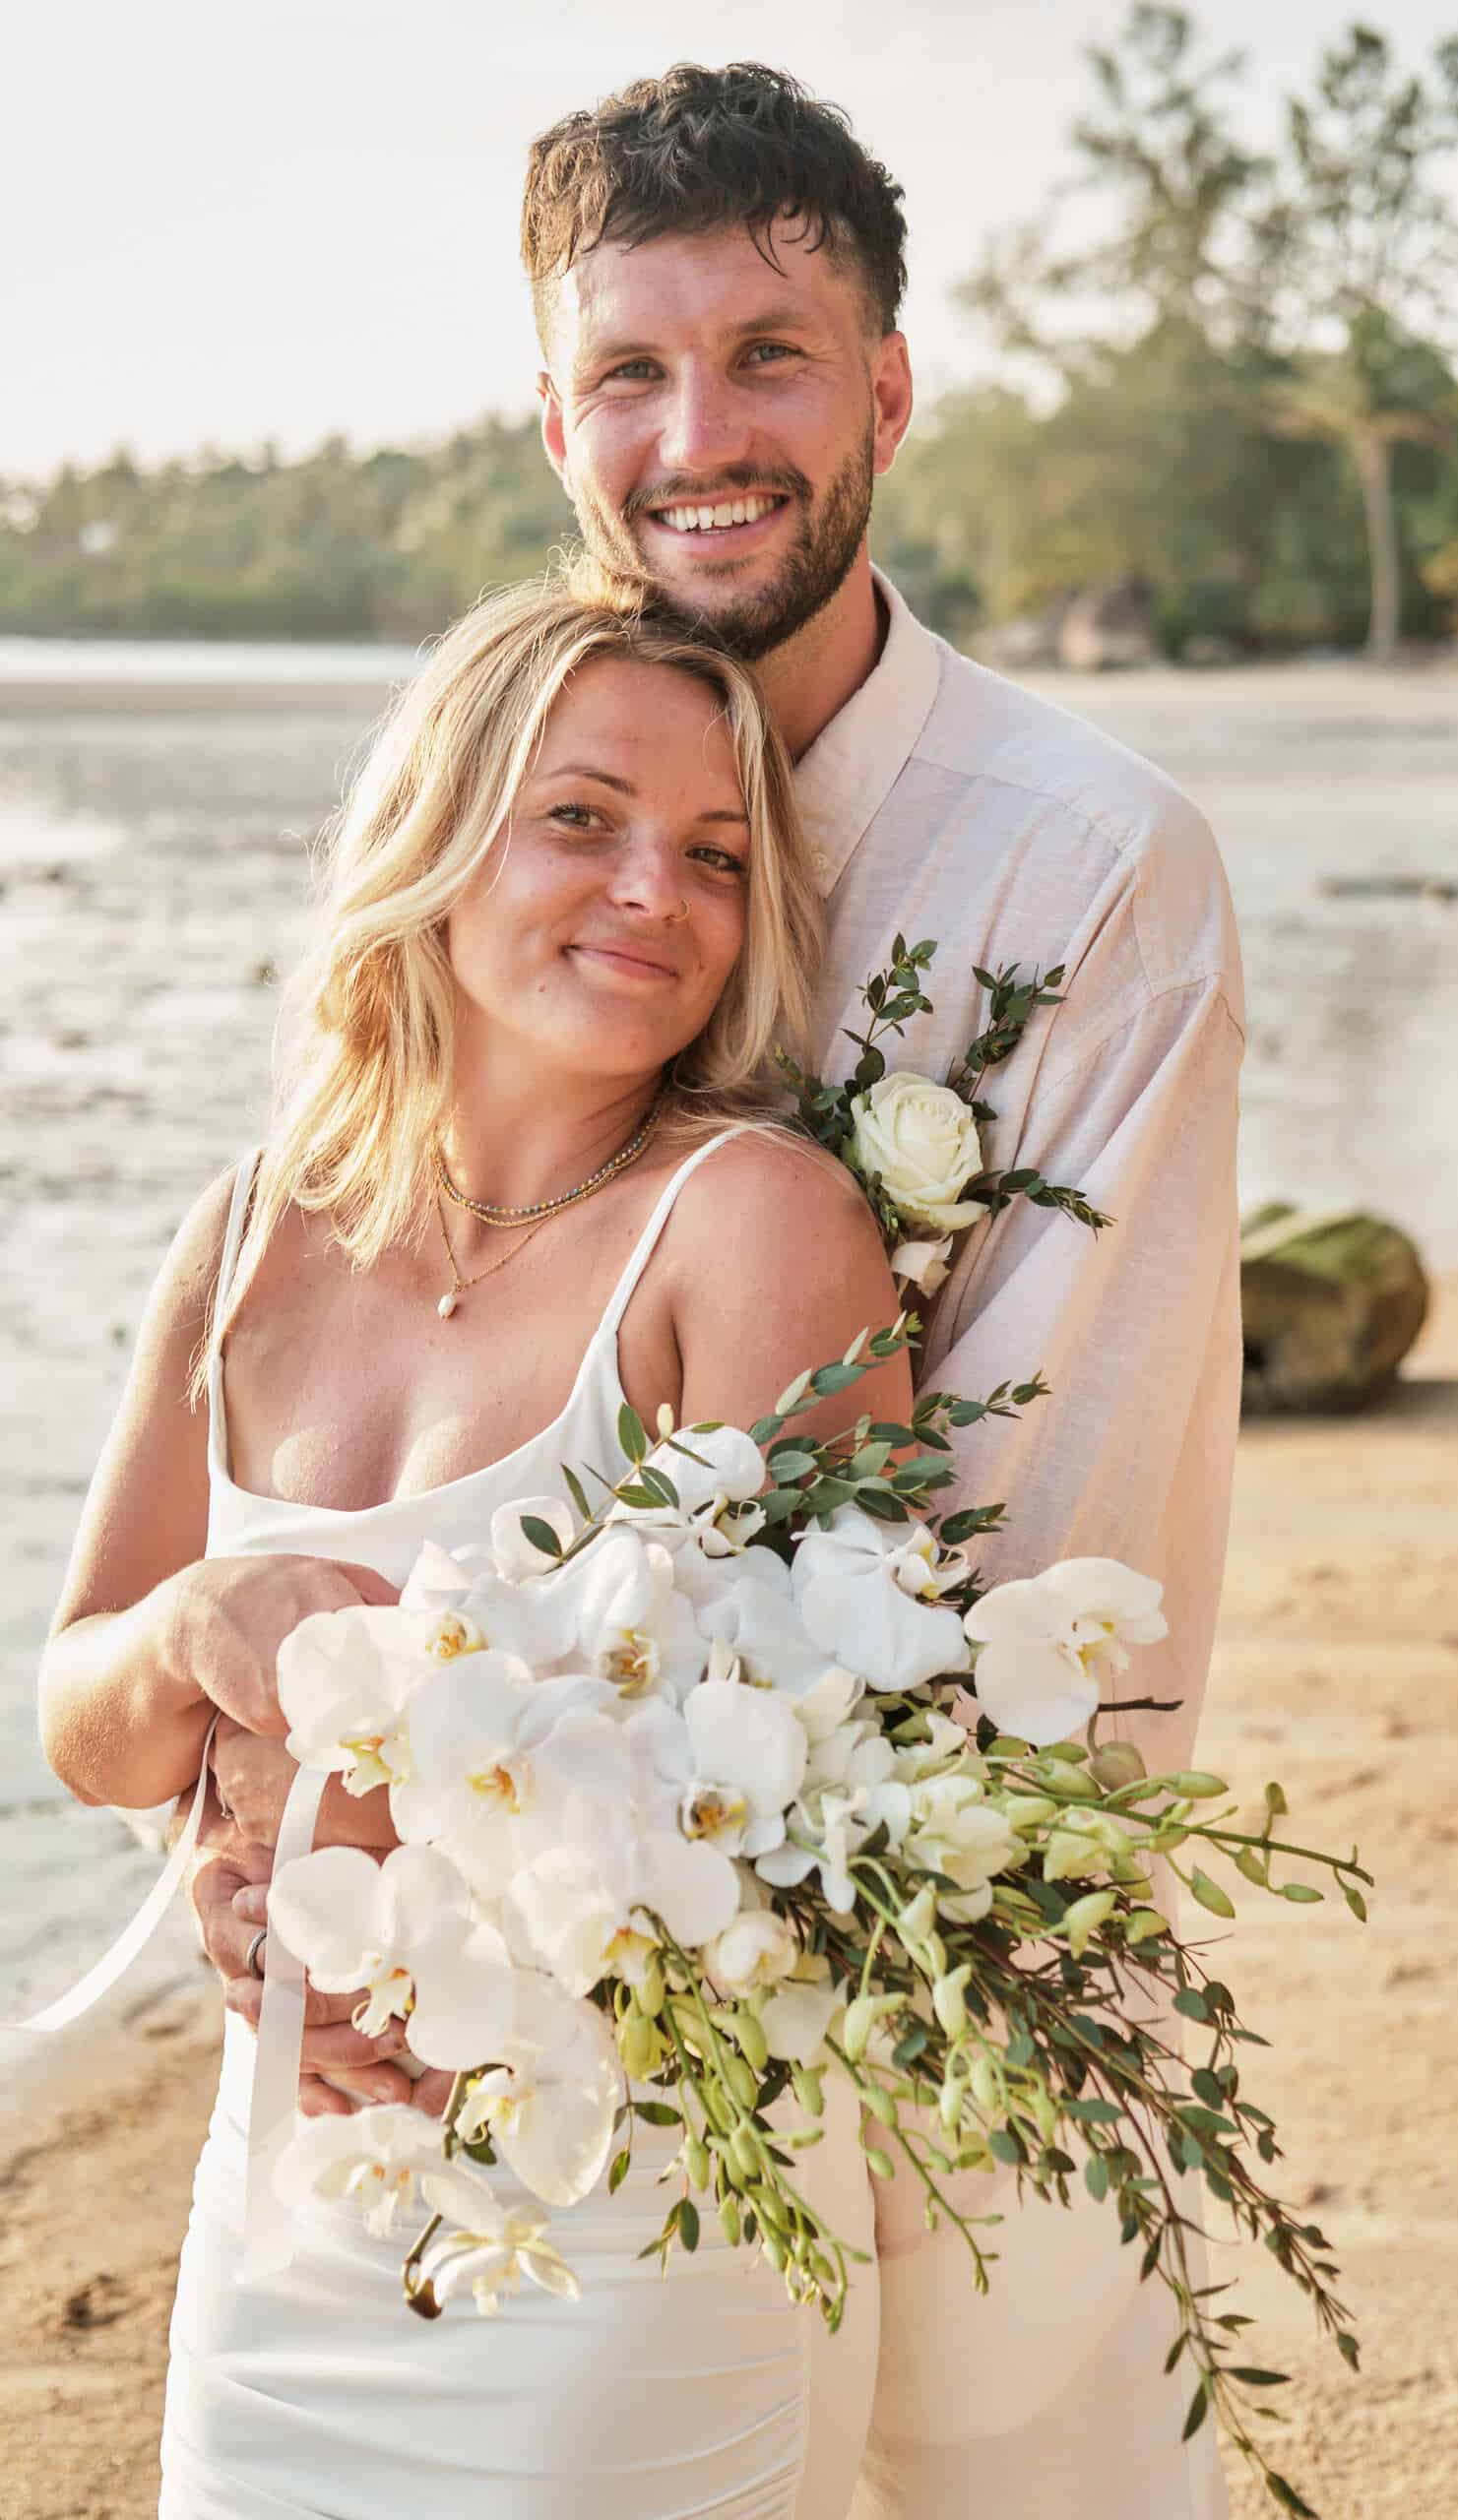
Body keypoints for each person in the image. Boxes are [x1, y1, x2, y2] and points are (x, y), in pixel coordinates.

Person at [185, 59, 1243, 2520]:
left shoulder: (1085, 866)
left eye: (770, 355)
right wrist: (278, 1823)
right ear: (556, 416)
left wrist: (903, 1970)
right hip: (490, 2035)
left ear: (883, 386)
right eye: (633, 372)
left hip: (924, 1975)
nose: (703, 434)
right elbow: (346, 1379)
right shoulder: (478, 848)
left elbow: (1065, 1530)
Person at [40, 585, 903, 2517]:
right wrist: (196, 1635)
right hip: (283, 2218)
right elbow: (82, 1726)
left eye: (712, 853)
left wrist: (382, 1860)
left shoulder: (749, 1224)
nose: (650, 892)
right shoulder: (252, 1233)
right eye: (578, 816)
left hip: (626, 2223)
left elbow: (854, 1786)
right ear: (436, 830)